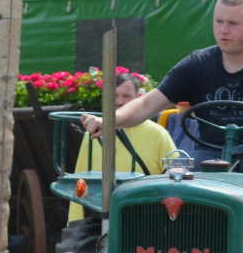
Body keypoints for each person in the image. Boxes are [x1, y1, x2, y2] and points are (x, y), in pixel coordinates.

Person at [80, 0, 243, 228]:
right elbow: (146, 104)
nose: (224, 30)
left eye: (233, 23)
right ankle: (161, 244)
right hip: (209, 156)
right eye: (219, 21)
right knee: (169, 175)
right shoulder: (197, 64)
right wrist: (108, 120)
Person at [68, 72, 175, 223]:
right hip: (100, 217)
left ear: (138, 97)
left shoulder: (158, 134)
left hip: (147, 218)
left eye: (126, 96)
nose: (119, 101)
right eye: (114, 95)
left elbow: (175, 180)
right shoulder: (93, 134)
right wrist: (75, 224)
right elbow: (80, 183)